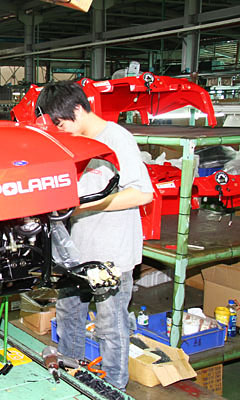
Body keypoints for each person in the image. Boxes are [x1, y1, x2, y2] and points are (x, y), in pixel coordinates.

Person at [37, 81, 153, 390]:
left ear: (77, 109)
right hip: (79, 250)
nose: (59, 129)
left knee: (110, 324)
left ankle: (114, 386)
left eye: (60, 122)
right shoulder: (75, 141)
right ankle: (72, 373)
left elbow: (142, 194)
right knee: (68, 313)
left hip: (113, 253)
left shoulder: (116, 139)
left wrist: (83, 205)